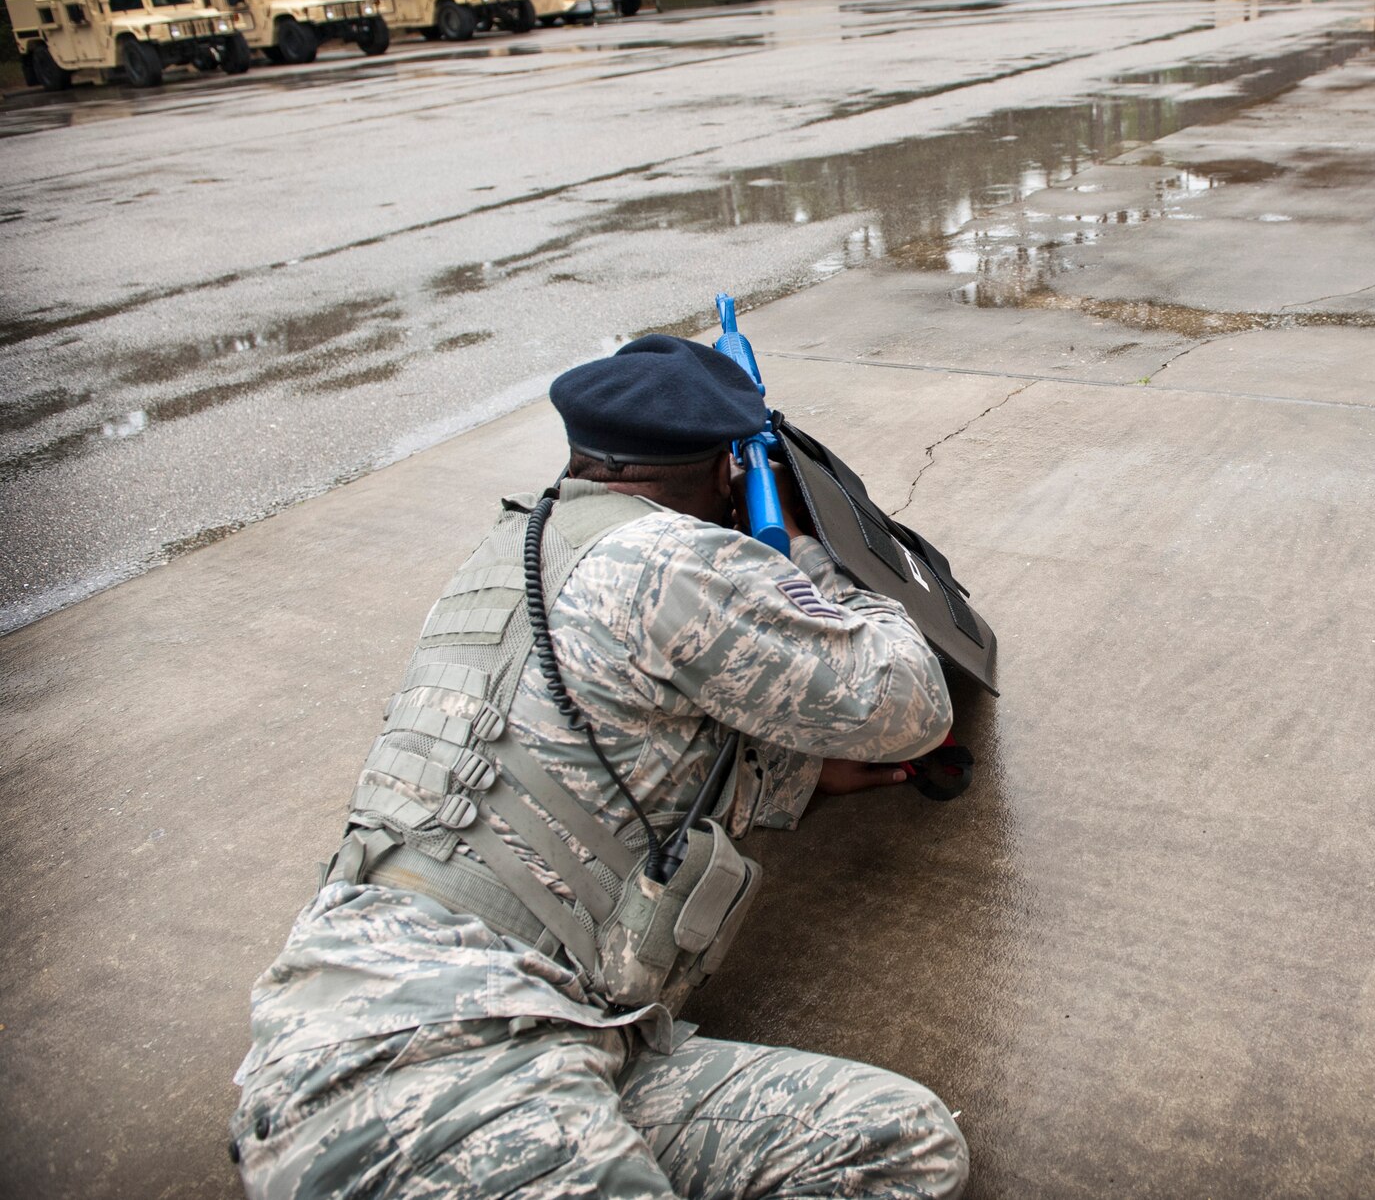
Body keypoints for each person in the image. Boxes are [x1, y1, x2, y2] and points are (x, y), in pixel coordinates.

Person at [229, 335, 969, 1199]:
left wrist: (785, 778)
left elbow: (592, 752)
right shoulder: (672, 558)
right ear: (728, 472)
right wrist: (804, 558)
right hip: (435, 1068)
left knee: (900, 1141)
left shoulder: (508, 554)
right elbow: (910, 699)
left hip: (390, 1024)